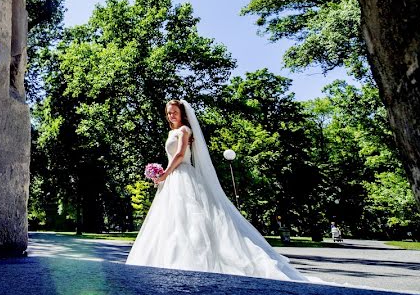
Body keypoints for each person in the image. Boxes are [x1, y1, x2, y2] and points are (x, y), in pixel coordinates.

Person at [125, 99, 307, 281]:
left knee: (189, 217)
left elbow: (180, 154)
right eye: (168, 113)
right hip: (173, 177)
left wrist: (164, 174)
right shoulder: (171, 131)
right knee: (170, 218)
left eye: (174, 112)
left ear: (182, 114)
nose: (171, 115)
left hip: (184, 175)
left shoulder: (184, 130)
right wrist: (162, 176)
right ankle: (168, 258)